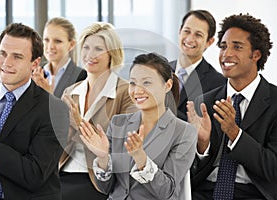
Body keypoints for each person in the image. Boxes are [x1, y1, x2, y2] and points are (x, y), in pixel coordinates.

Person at [79, 52, 197, 200]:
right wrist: (103, 158)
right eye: (133, 83)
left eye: (147, 82)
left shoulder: (184, 132)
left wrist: (141, 159)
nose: (137, 90)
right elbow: (105, 188)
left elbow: (166, 191)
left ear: (167, 85)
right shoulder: (118, 124)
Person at [187, 13, 277, 200]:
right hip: (204, 193)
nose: (226, 54)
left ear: (256, 54)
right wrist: (202, 146)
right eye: (223, 46)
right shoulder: (204, 102)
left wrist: (234, 133)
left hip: (254, 194)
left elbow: (272, 168)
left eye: (237, 47)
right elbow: (189, 170)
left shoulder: (274, 101)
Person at [0, 23, 69, 200]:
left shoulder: (54, 110)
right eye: (3, 53)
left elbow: (34, 175)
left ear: (34, 63)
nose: (6, 63)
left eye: (17, 57)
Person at [58, 22, 137, 200]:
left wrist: (78, 124)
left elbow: (121, 142)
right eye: (86, 47)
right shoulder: (71, 92)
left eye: (98, 49)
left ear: (112, 53)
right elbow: (59, 142)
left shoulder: (126, 93)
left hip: (99, 180)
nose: (90, 55)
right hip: (63, 172)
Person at [169, 9, 226, 120]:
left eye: (198, 35)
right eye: (186, 31)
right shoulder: (159, 71)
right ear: (179, 31)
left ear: (209, 42)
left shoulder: (218, 83)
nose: (190, 39)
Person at [32, 17, 87, 98]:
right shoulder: (35, 73)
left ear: (71, 44)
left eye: (57, 41)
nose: (50, 46)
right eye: (46, 40)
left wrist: (49, 95)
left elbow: (74, 110)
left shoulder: (81, 76)